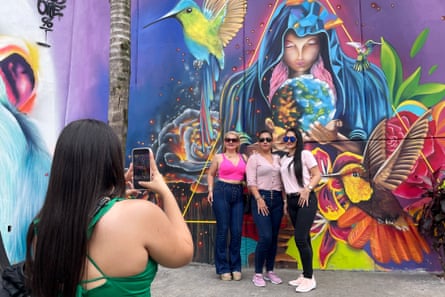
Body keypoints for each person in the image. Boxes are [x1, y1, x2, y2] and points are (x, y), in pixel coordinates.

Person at [24, 119, 193, 297]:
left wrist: (114, 194)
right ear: (111, 163)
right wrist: (165, 192)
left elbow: (83, 216)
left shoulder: (40, 228)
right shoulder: (140, 214)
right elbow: (183, 253)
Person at [219, 0, 392, 145]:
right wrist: (267, 145)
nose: (300, 55)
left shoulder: (360, 84)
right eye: (290, 46)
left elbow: (371, 153)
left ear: (323, 44)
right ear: (278, 46)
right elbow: (236, 150)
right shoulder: (243, 89)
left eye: (310, 44)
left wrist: (336, 139)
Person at [280, 128, 321, 293]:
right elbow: (285, 183)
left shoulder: (305, 155)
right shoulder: (284, 160)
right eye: (286, 138)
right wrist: (285, 201)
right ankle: (305, 275)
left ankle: (310, 279)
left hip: (305, 199)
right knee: (305, 238)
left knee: (300, 239)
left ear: (298, 140)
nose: (289, 141)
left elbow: (317, 174)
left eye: (292, 138)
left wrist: (308, 188)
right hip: (291, 201)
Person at [245, 130, 284, 287]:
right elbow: (251, 182)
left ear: (272, 141)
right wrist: (259, 199)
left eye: (268, 139)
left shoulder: (278, 158)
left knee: (273, 237)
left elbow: (282, 180)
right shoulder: (254, 159)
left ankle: (270, 271)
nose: (265, 142)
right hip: (261, 198)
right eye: (262, 140)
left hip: (277, 200)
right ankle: (258, 273)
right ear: (258, 142)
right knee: (265, 237)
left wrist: (285, 201)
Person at [207, 131, 247, 281]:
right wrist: (210, 191)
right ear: (224, 142)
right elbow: (210, 174)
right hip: (222, 191)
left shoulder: (244, 158)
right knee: (223, 230)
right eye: (228, 139)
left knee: (236, 231)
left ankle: (235, 266)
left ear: (238, 142)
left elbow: (249, 176)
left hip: (238, 193)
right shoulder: (218, 157)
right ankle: (223, 268)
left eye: (234, 140)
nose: (231, 142)